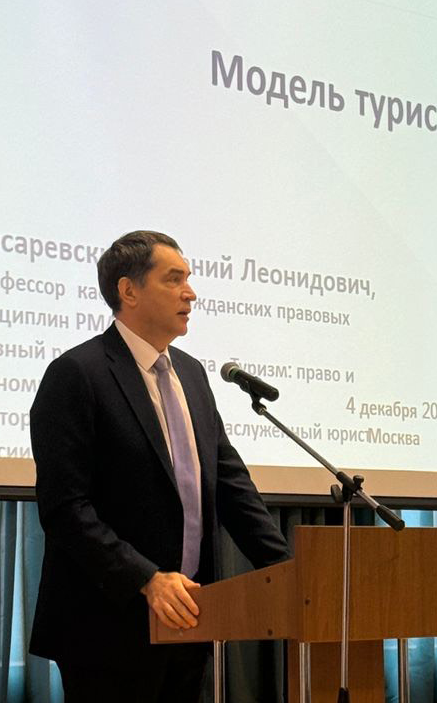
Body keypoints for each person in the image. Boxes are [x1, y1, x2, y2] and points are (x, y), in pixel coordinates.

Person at [28, 230, 290, 702]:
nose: (191, 293)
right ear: (128, 290)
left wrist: (289, 572)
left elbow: (230, 486)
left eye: (189, 279)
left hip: (189, 618)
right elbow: (65, 508)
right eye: (174, 279)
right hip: (107, 627)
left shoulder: (191, 373)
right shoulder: (77, 374)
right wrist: (147, 579)